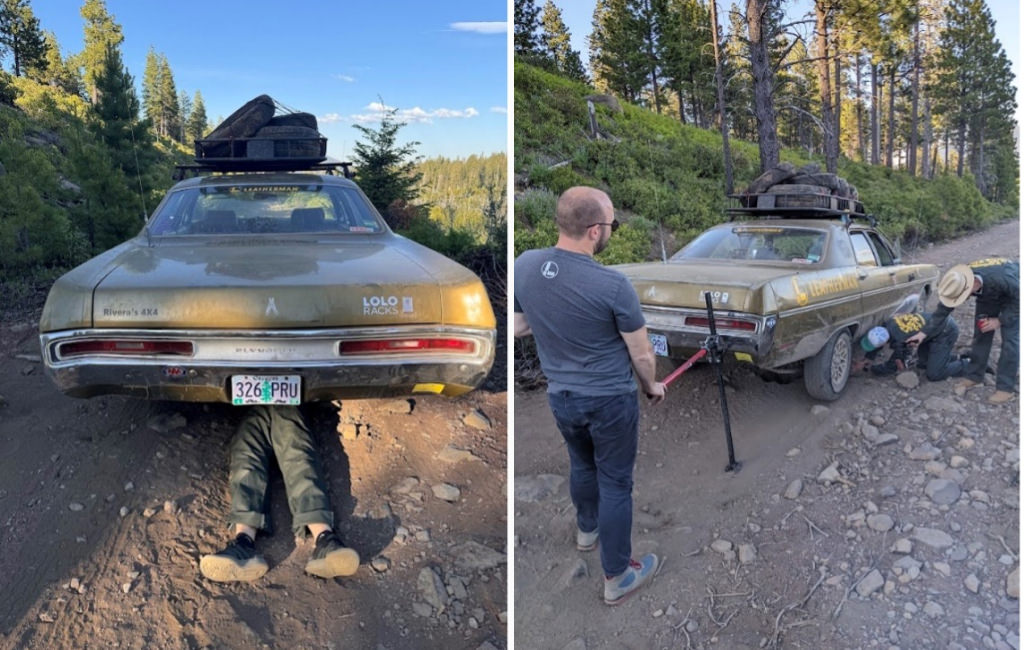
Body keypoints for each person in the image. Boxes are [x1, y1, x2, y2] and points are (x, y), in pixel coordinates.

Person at [513, 186, 666, 606]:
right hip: (610, 400)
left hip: (562, 397)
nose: (613, 229)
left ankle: (587, 531)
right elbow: (642, 352)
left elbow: (518, 325)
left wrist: (553, 326)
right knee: (616, 482)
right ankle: (617, 576)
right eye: (612, 224)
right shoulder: (613, 284)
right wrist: (652, 387)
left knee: (581, 463)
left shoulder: (524, 264)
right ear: (595, 231)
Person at [199, 405, 359, 582]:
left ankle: (325, 539)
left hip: (287, 403)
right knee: (246, 454)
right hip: (257, 403)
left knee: (297, 451)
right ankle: (243, 543)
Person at [930, 259, 1018, 404]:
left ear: (973, 285)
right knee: (981, 333)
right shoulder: (960, 279)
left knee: (1010, 341)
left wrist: (999, 320)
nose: (963, 300)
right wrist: (925, 331)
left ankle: (1005, 389)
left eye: (964, 296)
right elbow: (944, 308)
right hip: (988, 294)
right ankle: (974, 376)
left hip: (1015, 297)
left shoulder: (1005, 279)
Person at [852, 311, 968, 381]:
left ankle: (970, 364)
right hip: (932, 328)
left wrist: (871, 369)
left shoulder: (900, 342)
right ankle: (955, 358)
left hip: (946, 331)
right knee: (923, 364)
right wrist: (867, 359)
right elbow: (878, 343)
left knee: (934, 374)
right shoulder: (888, 323)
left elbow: (893, 366)